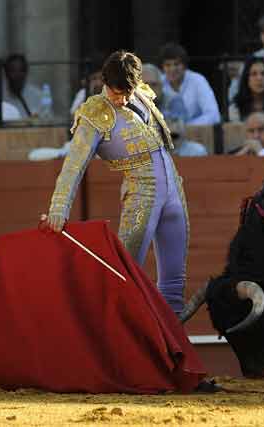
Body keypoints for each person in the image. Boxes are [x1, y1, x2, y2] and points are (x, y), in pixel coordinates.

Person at [41, 50, 189, 315]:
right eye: (117, 92)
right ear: (104, 83)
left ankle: (174, 351)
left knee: (174, 284)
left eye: (127, 92)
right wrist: (58, 209)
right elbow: (74, 166)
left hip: (174, 192)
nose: (123, 99)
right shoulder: (94, 113)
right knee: (124, 279)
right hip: (142, 196)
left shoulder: (142, 94)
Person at [159, 43, 220, 126]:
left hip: (196, 134)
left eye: (176, 64)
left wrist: (187, 127)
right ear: (162, 67)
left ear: (184, 66)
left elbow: (213, 115)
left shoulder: (198, 80)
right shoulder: (158, 82)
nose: (172, 69)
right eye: (168, 65)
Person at [3, 54, 45, 118]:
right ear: (6, 74)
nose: (17, 75)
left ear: (26, 72)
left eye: (21, 70)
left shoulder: (38, 95)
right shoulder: (0, 98)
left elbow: (48, 121)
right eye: (13, 70)